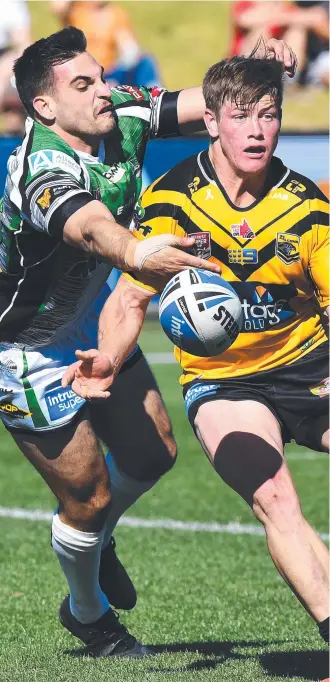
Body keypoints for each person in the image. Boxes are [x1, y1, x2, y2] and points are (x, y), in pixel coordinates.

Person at [0, 26, 295, 658]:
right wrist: (139, 254)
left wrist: (256, 66)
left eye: (100, 76)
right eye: (84, 84)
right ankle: (88, 614)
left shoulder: (122, 113)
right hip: (21, 350)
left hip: (87, 322)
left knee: (156, 453)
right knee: (88, 498)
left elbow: (209, 104)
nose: (104, 91)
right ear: (45, 107)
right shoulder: (40, 169)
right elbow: (90, 227)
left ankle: (99, 541)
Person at [64, 49, 330, 645]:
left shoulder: (308, 205)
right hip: (225, 382)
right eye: (241, 116)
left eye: (269, 114)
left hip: (309, 363)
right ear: (211, 121)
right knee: (276, 498)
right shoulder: (172, 200)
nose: (258, 130)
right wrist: (107, 357)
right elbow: (129, 300)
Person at [49, 1, 161, 88]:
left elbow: (129, 48)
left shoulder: (115, 13)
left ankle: (155, 101)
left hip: (109, 72)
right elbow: (57, 6)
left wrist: (129, 57)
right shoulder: (75, 12)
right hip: (84, 74)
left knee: (145, 62)